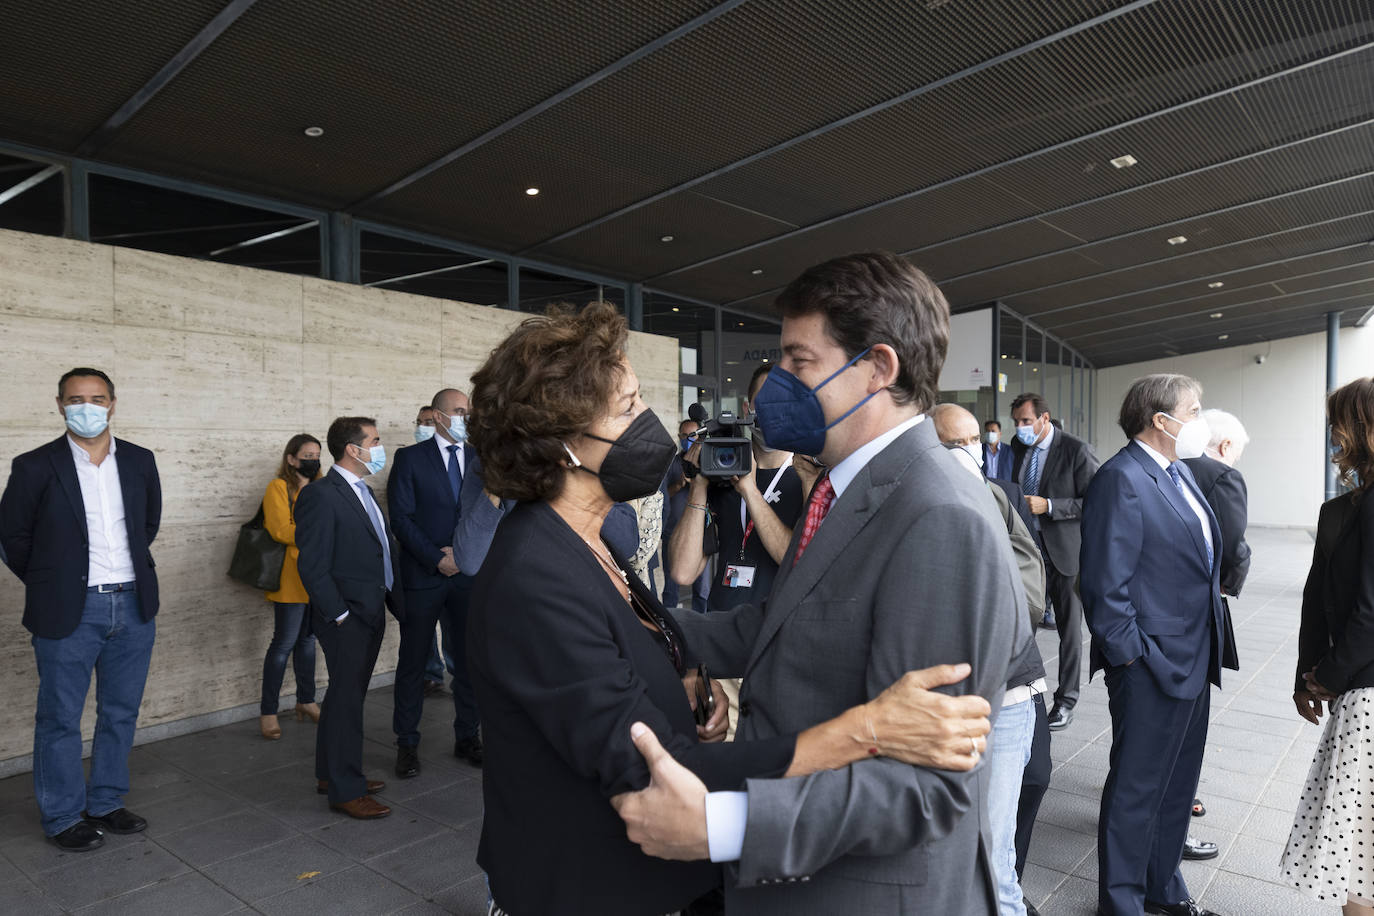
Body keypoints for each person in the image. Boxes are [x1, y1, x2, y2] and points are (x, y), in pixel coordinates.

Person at [465, 301, 997, 916]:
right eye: (628, 408)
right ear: (562, 448)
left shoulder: (596, 534)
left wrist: (680, 672)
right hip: (587, 885)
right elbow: (661, 771)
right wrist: (864, 731)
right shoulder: (533, 576)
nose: (650, 422)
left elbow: (623, 640)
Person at [614, 251, 1025, 914]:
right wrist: (652, 626)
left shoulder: (939, 515)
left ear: (879, 368)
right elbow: (787, 621)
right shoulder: (846, 486)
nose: (776, 381)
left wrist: (724, 826)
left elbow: (926, 787)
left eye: (799, 361)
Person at [1081, 373, 1228, 916]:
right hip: (1151, 665)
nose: (1201, 419)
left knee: (1175, 789)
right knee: (1136, 793)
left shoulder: (1178, 473)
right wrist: (1132, 659)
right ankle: (1121, 905)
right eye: (1194, 409)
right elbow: (1102, 586)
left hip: (1194, 658)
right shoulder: (1121, 478)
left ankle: (1163, 891)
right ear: (1160, 420)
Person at [0, 368, 161, 851]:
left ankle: (107, 802)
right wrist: (54, 581)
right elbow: (12, 538)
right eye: (75, 399)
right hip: (69, 608)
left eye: (96, 398)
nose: (86, 407)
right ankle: (64, 816)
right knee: (60, 718)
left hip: (133, 604)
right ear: (59, 405)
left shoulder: (138, 461)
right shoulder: (34, 465)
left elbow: (147, 524)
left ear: (112, 403)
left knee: (120, 711)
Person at [934, 403, 1050, 916]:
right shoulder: (911, 502)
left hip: (1008, 688)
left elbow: (1028, 596)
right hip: (945, 696)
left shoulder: (998, 497)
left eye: (970, 443)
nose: (965, 454)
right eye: (950, 445)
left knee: (995, 851)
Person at [1284, 377, 1374, 915]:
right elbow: (1318, 596)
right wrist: (1307, 675)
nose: (1332, 433)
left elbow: (1370, 611)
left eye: (1338, 420)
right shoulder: (1348, 506)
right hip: (1356, 687)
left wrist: (1327, 676)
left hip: (1367, 694)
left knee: (1360, 858)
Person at [295, 416, 405, 819]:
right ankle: (346, 789)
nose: (380, 448)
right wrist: (340, 614)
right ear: (352, 450)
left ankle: (330, 773)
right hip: (347, 616)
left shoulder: (362, 490)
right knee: (346, 703)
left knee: (346, 696)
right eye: (374, 441)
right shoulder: (322, 495)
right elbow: (312, 565)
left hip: (371, 608)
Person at [389, 388, 490, 775]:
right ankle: (407, 744)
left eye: (469, 411)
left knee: (466, 663)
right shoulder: (410, 459)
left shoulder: (482, 461)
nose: (466, 417)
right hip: (424, 576)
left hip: (468, 577)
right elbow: (401, 518)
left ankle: (468, 736)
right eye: (460, 411)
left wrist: (463, 558)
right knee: (414, 662)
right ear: (438, 415)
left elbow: (488, 513)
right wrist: (436, 558)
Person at [668, 364, 805, 616]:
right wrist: (699, 483)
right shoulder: (723, 471)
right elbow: (682, 572)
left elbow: (797, 561)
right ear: (747, 408)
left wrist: (750, 491)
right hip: (719, 631)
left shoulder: (807, 478)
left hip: (772, 635)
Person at [1180, 408, 1252, 861]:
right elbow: (1232, 541)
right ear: (1225, 446)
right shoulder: (1223, 476)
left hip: (1156, 621)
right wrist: (1232, 578)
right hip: (1194, 620)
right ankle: (1176, 820)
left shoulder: (1167, 468)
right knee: (1185, 731)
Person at [1010, 392, 1099, 730]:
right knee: (1021, 625)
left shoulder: (1076, 449)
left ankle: (1066, 701)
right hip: (1026, 552)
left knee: (1069, 631)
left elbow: (1094, 500)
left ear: (1044, 419)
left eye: (1026, 421)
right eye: (1017, 422)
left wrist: (1049, 505)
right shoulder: (1018, 448)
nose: (1020, 428)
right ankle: (1022, 694)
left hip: (1064, 554)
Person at [258, 434, 323, 741]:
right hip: (290, 580)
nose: (313, 460)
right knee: (283, 644)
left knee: (308, 641)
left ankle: (306, 700)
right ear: (291, 459)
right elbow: (281, 529)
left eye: (317, 455)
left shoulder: (322, 487)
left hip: (318, 578)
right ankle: (268, 712)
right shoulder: (278, 488)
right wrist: (317, 531)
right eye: (307, 455)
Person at [662, 418, 710, 611]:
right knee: (671, 588)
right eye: (685, 436)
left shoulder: (708, 463)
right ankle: (668, 630)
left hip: (700, 536)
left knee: (702, 590)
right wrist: (679, 485)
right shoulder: (671, 463)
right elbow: (661, 496)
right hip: (672, 533)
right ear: (679, 437)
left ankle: (703, 630)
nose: (689, 439)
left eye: (693, 435)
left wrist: (699, 484)